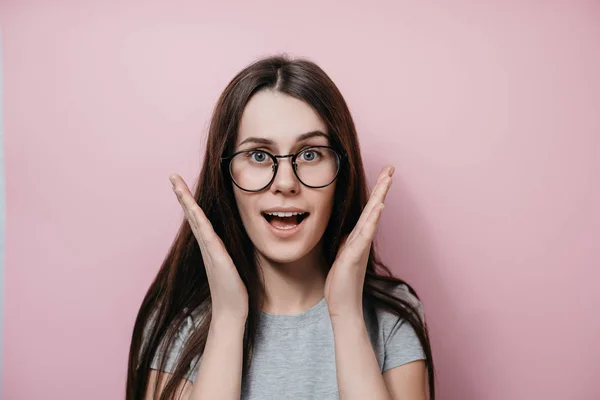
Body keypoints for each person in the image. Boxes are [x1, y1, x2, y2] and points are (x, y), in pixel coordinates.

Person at [126, 55, 435, 400]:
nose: (286, 183)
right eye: (258, 155)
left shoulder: (391, 317)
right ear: (225, 176)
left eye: (310, 154)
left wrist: (346, 315)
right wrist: (228, 319)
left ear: (341, 172)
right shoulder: (176, 326)